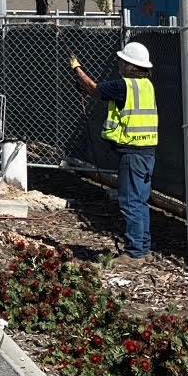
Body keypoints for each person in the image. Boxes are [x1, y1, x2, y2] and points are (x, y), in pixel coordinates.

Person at [69, 39, 159, 260]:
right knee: (140, 201)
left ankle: (135, 252)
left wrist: (76, 68)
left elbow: (95, 90)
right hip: (147, 151)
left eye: (122, 61)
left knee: (130, 202)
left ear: (130, 65)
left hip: (132, 153)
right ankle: (143, 247)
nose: (119, 63)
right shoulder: (146, 85)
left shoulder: (124, 86)